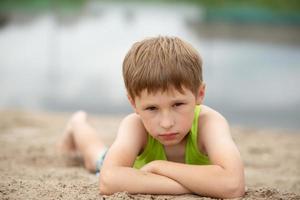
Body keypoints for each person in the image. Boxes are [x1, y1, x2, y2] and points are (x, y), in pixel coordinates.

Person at [58, 36, 245, 198]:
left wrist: (159, 167)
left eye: (178, 104)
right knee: (95, 156)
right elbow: (108, 181)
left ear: (199, 94)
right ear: (133, 104)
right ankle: (77, 123)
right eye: (152, 108)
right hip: (116, 163)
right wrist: (195, 187)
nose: (166, 123)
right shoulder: (135, 125)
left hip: (142, 177)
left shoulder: (209, 123)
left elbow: (232, 184)